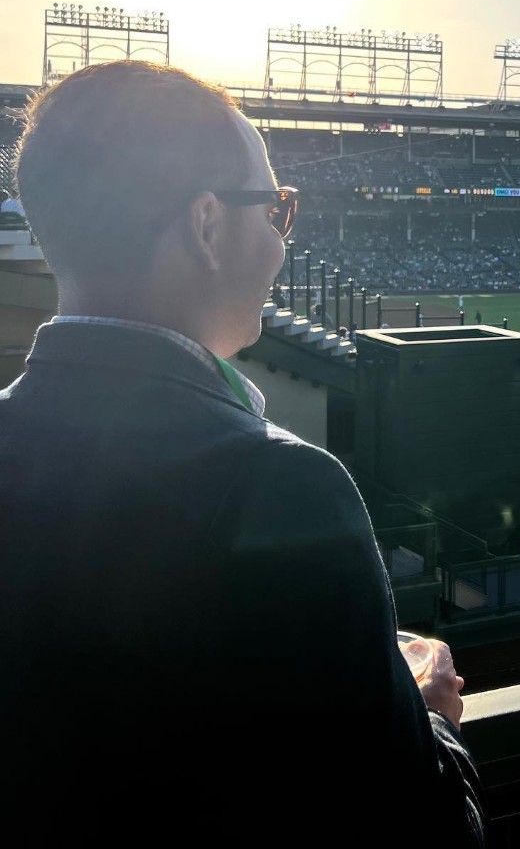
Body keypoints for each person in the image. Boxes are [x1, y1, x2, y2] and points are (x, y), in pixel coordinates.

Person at [0, 61, 487, 846]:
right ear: (206, 224)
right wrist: (427, 716)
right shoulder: (283, 487)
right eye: (275, 210)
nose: (282, 246)